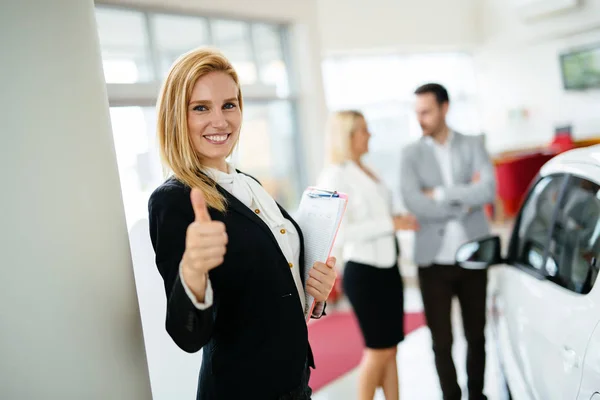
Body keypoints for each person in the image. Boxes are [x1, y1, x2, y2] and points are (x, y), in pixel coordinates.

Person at [147, 48, 337, 400]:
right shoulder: (174, 199)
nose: (220, 121)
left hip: (293, 382)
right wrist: (192, 272)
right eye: (200, 107)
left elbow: (270, 282)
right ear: (177, 116)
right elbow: (187, 334)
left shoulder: (248, 183)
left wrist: (316, 295)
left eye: (229, 105)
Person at [400, 83, 496, 400]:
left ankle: (477, 394)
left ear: (444, 108)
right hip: (433, 262)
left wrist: (441, 194)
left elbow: (487, 191)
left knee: (477, 335)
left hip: (473, 255)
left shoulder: (473, 144)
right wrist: (463, 201)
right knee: (441, 340)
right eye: (417, 113)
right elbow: (414, 202)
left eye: (426, 111)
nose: (421, 119)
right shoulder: (410, 154)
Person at [318, 110, 418, 400]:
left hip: (387, 268)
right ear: (347, 136)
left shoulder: (365, 168)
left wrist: (395, 218)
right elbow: (339, 231)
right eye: (363, 129)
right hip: (365, 272)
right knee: (379, 351)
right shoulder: (335, 174)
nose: (369, 134)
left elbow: (374, 215)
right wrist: (389, 224)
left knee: (391, 349)